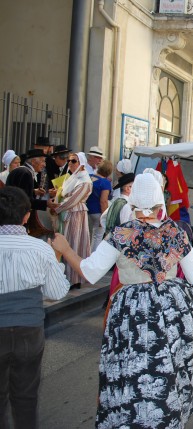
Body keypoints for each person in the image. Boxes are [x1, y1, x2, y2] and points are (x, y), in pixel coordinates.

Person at [50, 172, 193, 426]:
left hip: (129, 310)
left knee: (128, 366)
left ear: (132, 204)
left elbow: (90, 271)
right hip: (169, 308)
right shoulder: (174, 232)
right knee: (166, 365)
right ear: (160, 203)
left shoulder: (121, 234)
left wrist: (66, 249)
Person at [0, 187, 70, 428]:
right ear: (27, 216)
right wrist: (58, 259)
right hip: (29, 329)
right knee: (25, 396)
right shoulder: (40, 249)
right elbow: (57, 292)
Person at [54, 153, 93, 289]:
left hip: (76, 215)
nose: (70, 163)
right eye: (68, 160)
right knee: (69, 242)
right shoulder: (74, 178)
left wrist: (57, 208)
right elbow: (65, 195)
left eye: (73, 161)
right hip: (68, 214)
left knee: (74, 244)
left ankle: (74, 278)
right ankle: (69, 276)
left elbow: (73, 200)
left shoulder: (85, 181)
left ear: (81, 163)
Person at [87, 159, 113, 252]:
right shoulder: (105, 183)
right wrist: (104, 217)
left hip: (87, 210)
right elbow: (103, 201)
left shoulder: (89, 177)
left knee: (88, 236)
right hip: (98, 212)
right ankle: (92, 257)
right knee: (97, 237)